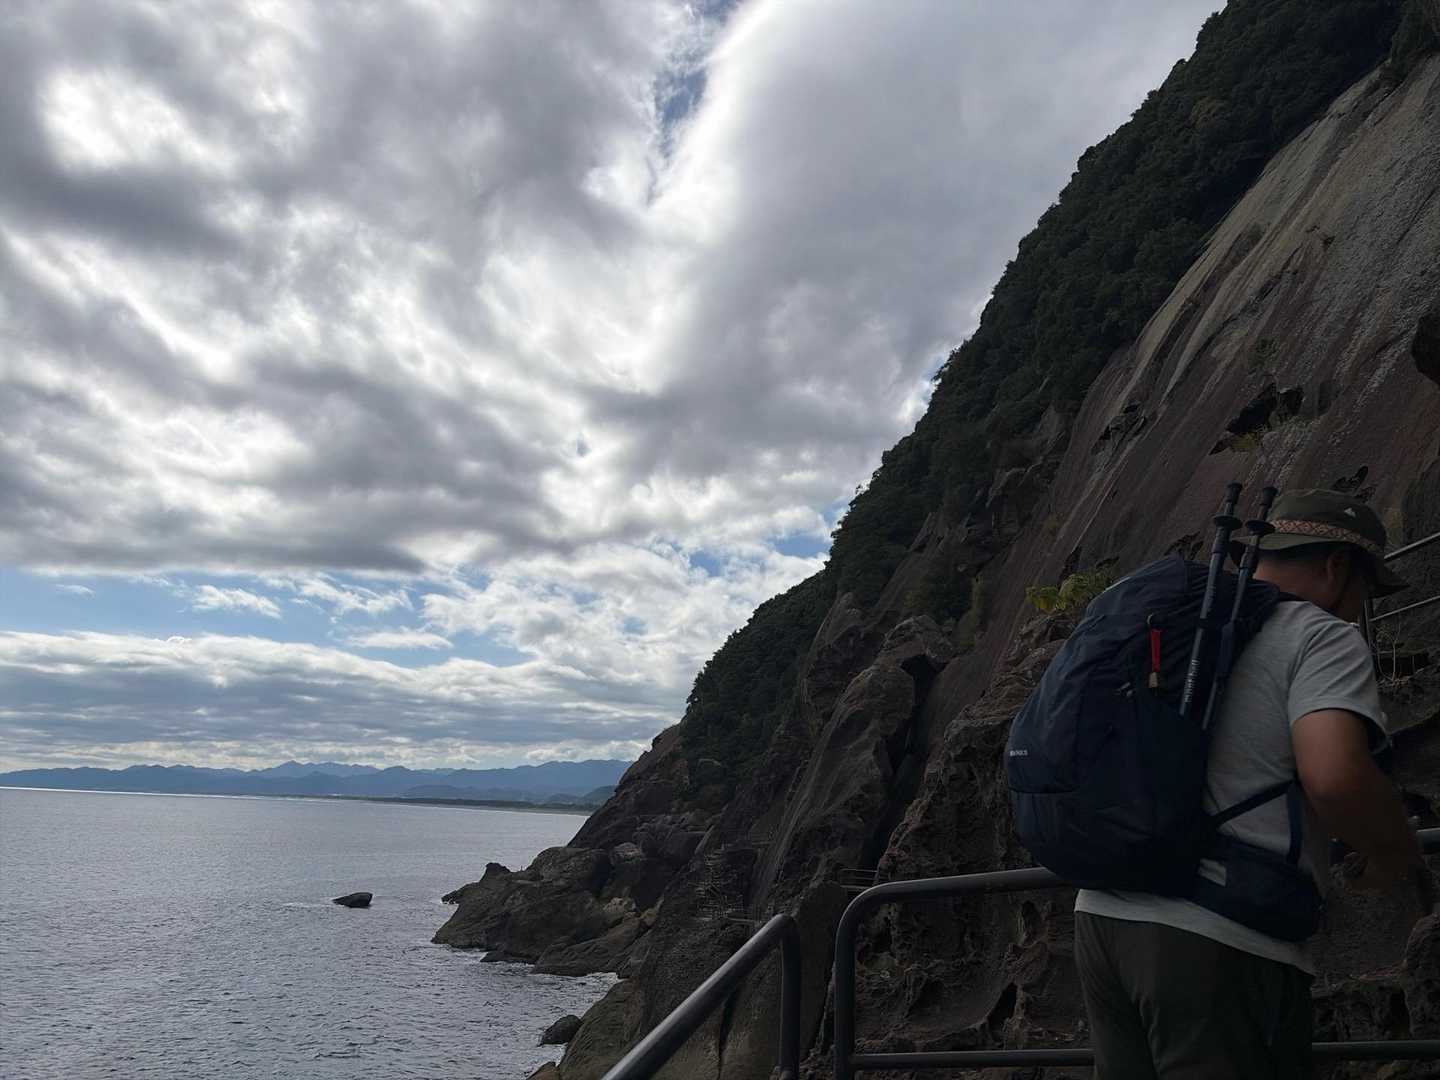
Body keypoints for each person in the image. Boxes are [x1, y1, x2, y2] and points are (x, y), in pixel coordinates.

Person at [1072, 488, 1422, 1079]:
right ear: (1338, 567)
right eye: (1366, 589)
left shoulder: (1179, 620)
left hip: (1102, 915)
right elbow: (1335, 777)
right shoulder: (1319, 635)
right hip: (1216, 935)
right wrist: (1392, 852)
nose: (1358, 608)